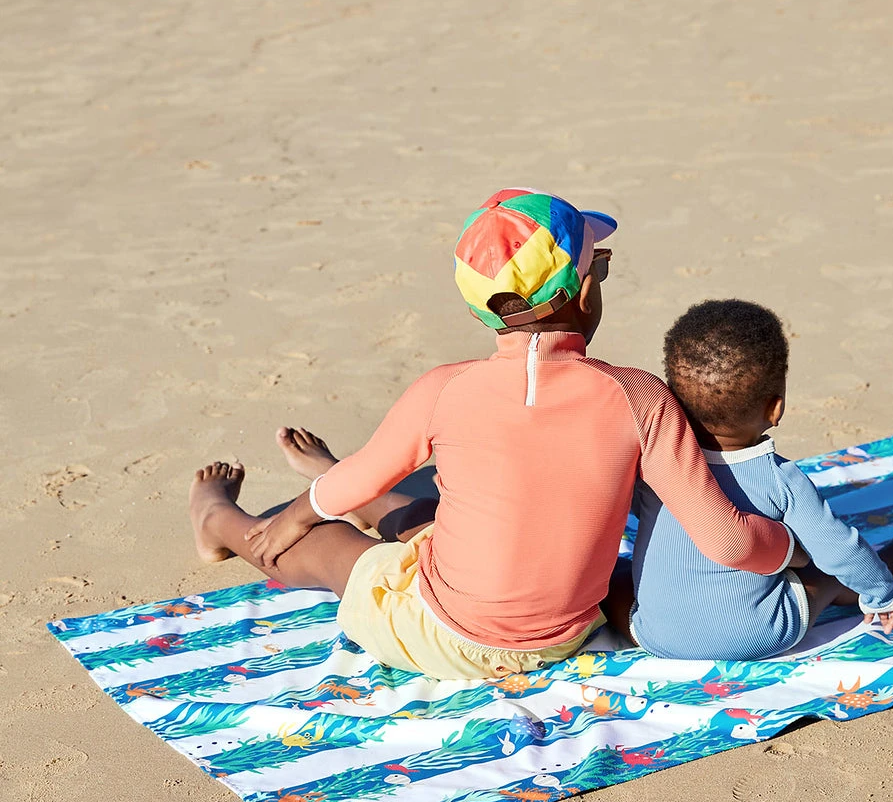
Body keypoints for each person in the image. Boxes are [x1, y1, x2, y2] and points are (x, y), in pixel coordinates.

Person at [187, 190, 798, 679]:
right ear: (586, 291)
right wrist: (792, 549)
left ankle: (224, 521)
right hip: (565, 634)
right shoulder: (640, 397)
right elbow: (729, 543)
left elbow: (366, 474)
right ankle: (272, 504)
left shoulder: (445, 388)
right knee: (434, 518)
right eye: (601, 266)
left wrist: (297, 517)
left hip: (444, 635)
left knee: (330, 545)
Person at [609, 299, 893, 661]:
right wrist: (884, 593)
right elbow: (840, 548)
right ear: (776, 408)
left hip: (657, 636)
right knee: (823, 571)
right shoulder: (781, 479)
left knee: (617, 579)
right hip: (757, 634)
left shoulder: (653, 465)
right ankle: (878, 574)